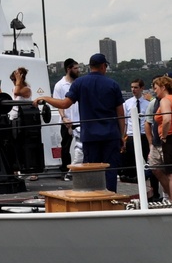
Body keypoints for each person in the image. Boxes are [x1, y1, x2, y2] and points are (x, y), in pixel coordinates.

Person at [35, 53, 125, 192]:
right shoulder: (112, 84)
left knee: (92, 170)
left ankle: (94, 199)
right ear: (103, 66)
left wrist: (45, 98)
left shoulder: (79, 83)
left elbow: (64, 104)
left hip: (90, 135)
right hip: (110, 135)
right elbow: (120, 114)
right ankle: (110, 198)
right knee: (110, 170)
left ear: (90, 67)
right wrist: (122, 136)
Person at [53, 59, 81, 178]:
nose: (78, 70)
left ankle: (80, 169)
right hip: (67, 121)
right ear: (69, 69)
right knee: (66, 147)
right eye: (76, 68)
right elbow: (59, 103)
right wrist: (64, 117)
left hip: (80, 120)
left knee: (81, 146)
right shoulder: (60, 85)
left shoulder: (79, 83)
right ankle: (66, 170)